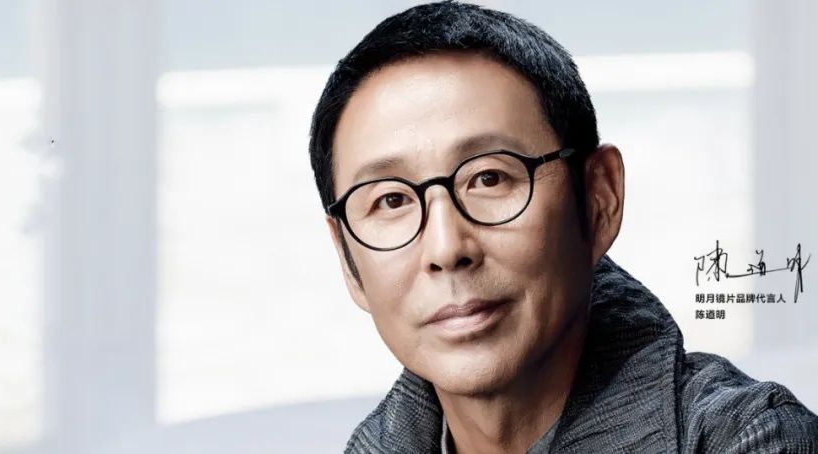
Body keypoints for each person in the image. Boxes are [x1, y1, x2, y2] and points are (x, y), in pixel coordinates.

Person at [306, 2, 818, 452]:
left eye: (489, 177)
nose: (445, 247)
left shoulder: (754, 439)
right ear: (348, 262)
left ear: (599, 199)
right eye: (391, 200)